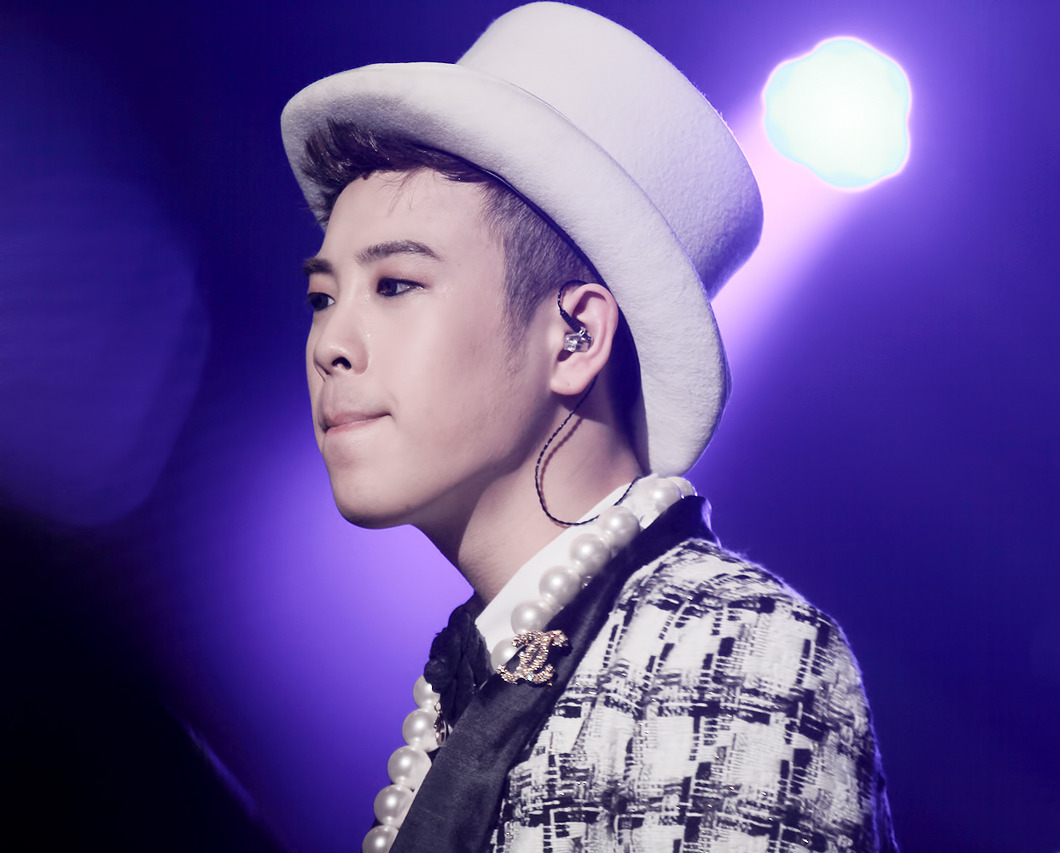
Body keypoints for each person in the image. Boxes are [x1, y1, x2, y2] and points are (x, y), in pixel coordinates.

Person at [281, 3, 896, 851]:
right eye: (322, 297)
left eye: (395, 284)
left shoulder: (727, 645)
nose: (330, 344)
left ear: (575, 337)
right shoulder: (480, 670)